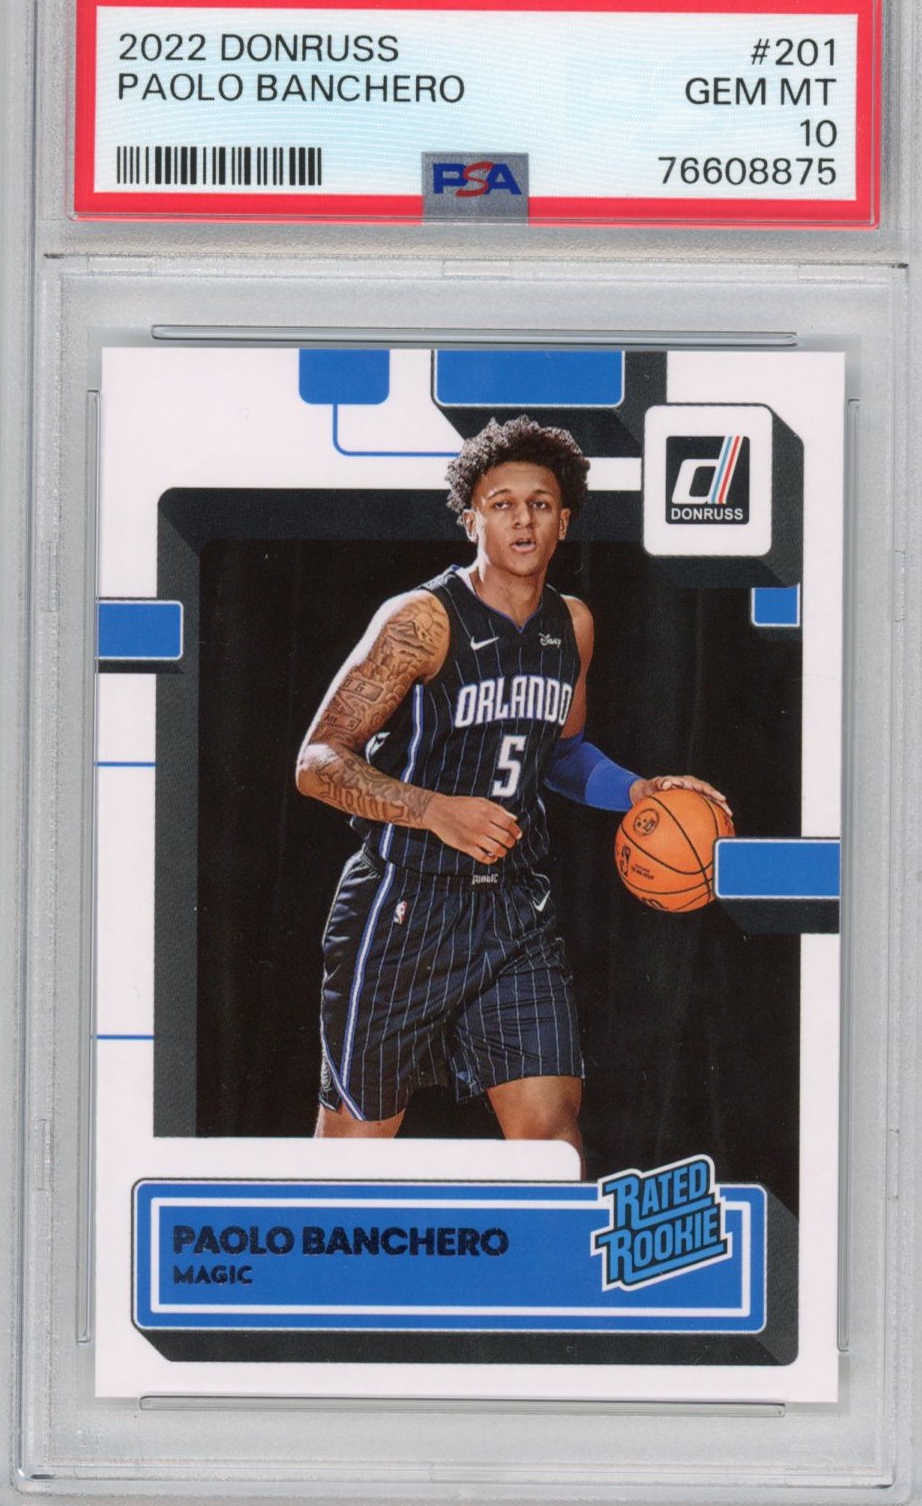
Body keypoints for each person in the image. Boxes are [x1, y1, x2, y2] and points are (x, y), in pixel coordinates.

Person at [296, 416, 729, 1160]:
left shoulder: (573, 625)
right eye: (501, 504)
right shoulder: (421, 621)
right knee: (354, 1151)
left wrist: (638, 791)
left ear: (564, 520)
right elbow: (317, 760)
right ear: (472, 519)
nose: (522, 520)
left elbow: (561, 752)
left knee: (552, 1145)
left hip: (511, 907)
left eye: (539, 504)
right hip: (403, 903)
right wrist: (434, 810)